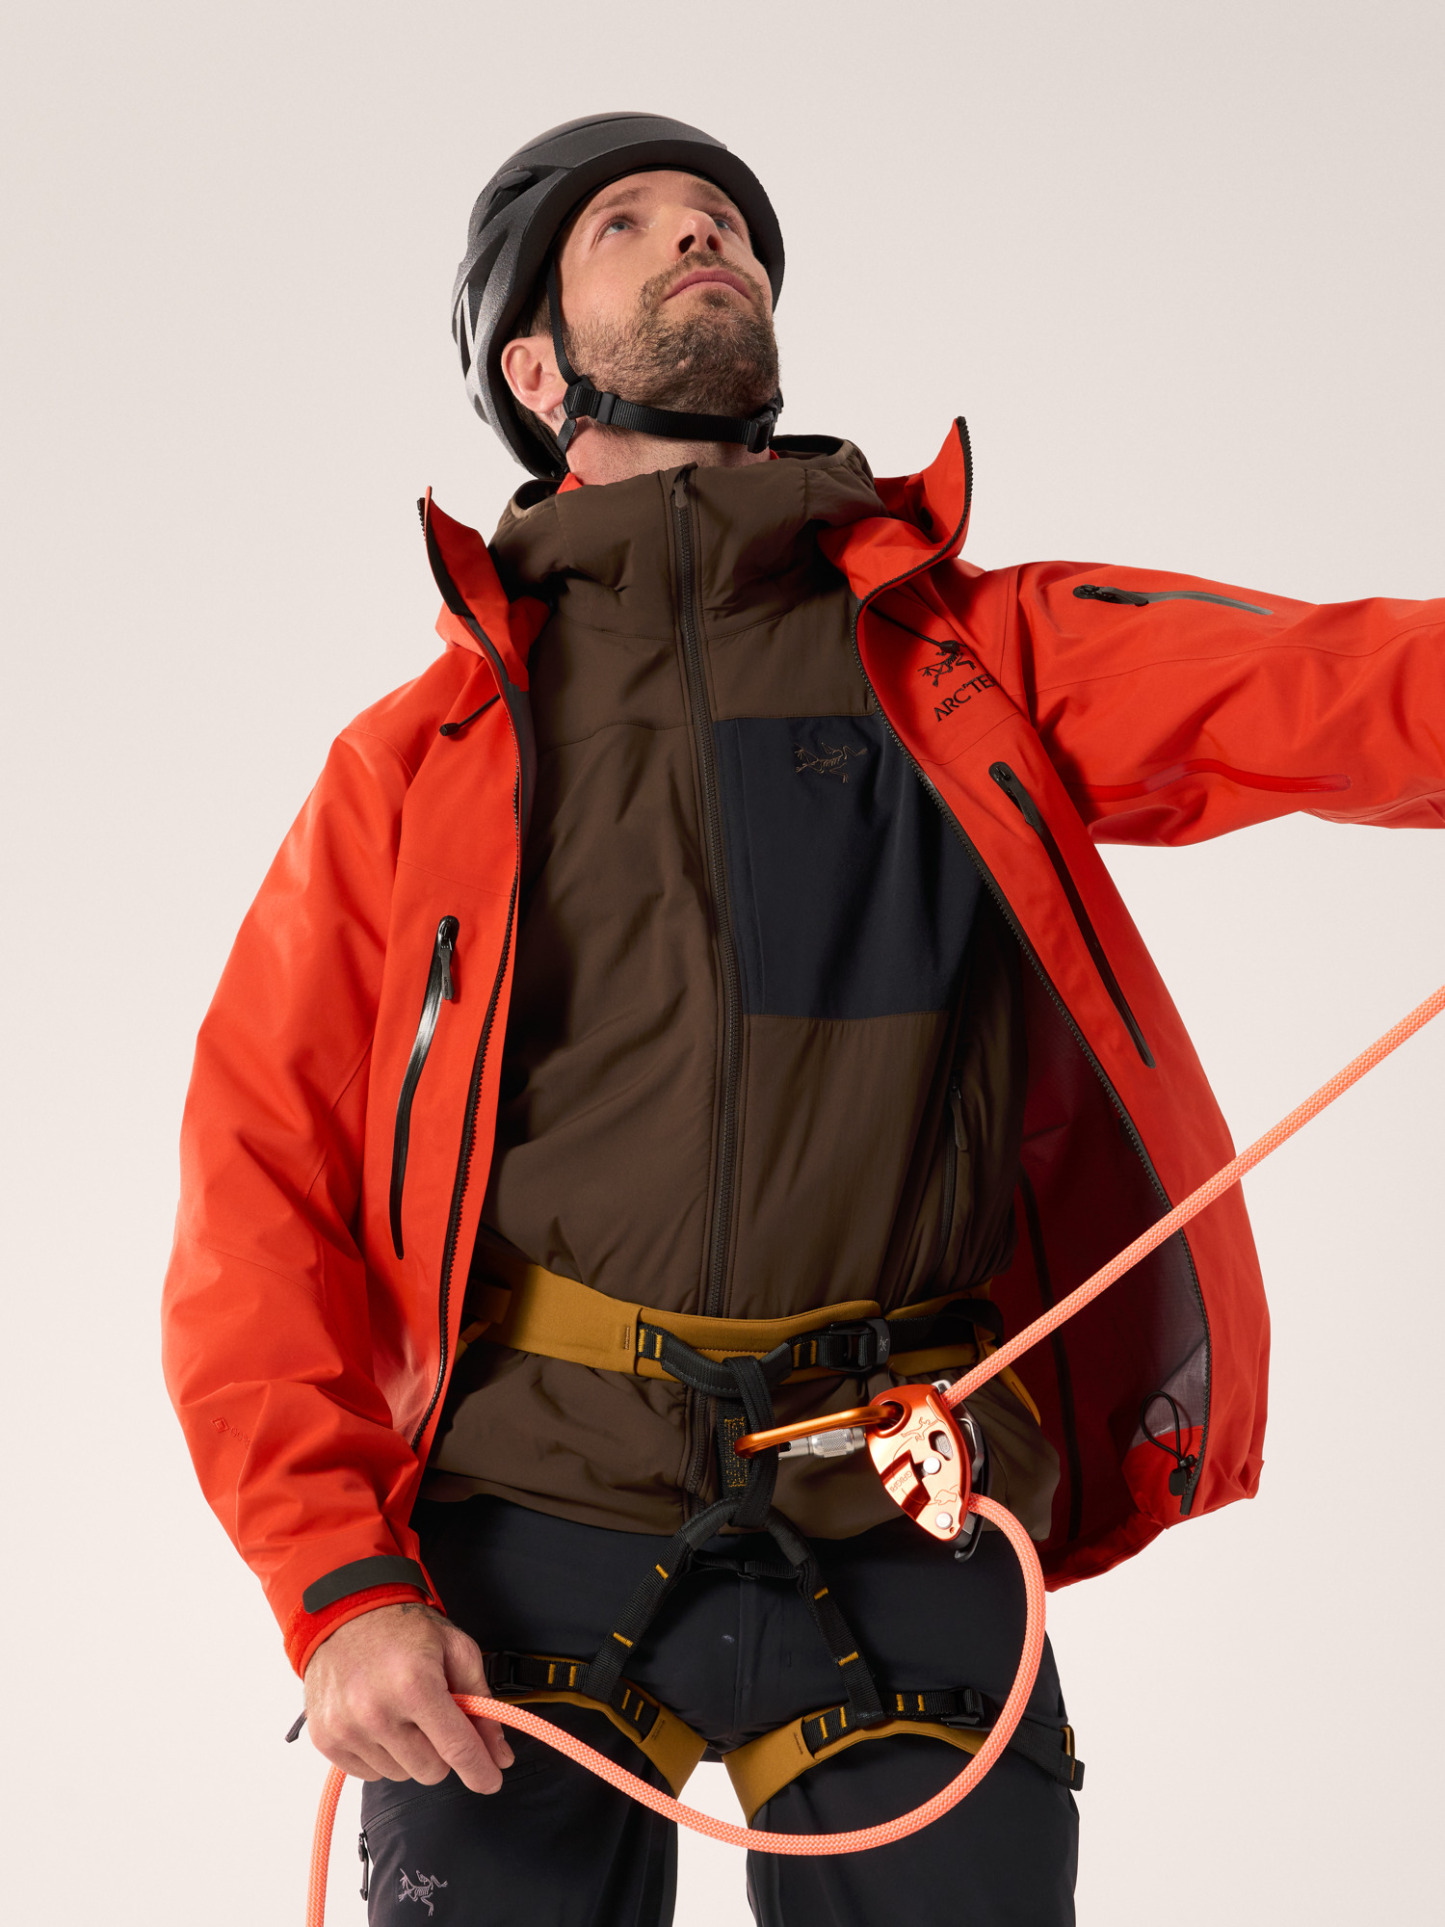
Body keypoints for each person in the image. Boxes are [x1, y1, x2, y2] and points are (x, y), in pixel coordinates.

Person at [161, 112, 1445, 1925]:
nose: (704, 239)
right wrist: (338, 1583)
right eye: (629, 225)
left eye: (726, 223)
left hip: (901, 1485)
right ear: (533, 369)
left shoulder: (965, 659)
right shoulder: (415, 764)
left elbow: (1326, 682)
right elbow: (258, 1191)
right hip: (527, 1504)